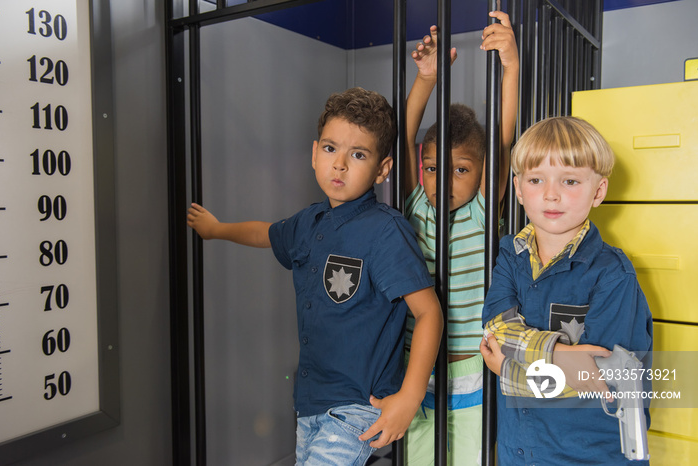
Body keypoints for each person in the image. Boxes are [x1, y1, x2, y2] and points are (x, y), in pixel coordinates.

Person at [187, 87, 443, 466]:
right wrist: (217, 229)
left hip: (358, 404)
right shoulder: (308, 222)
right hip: (310, 401)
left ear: (382, 169)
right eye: (330, 149)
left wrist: (410, 396)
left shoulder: (386, 231)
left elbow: (429, 313)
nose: (339, 164)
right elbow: (265, 232)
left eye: (358, 154)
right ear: (313, 152)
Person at [479, 116, 653, 465]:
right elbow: (496, 332)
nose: (551, 193)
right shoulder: (510, 256)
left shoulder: (612, 274)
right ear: (518, 189)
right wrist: (561, 357)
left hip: (591, 456)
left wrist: (510, 371)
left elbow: (603, 380)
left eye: (570, 180)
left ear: (598, 191)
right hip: (520, 451)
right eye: (536, 179)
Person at [402, 11, 519, 465]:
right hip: (414, 364)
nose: (443, 180)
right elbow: (401, 138)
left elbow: (504, 140)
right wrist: (426, 79)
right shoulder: (414, 207)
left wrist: (509, 64)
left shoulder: (481, 213)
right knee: (416, 456)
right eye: (432, 168)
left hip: (469, 369)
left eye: (462, 169)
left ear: (482, 172)